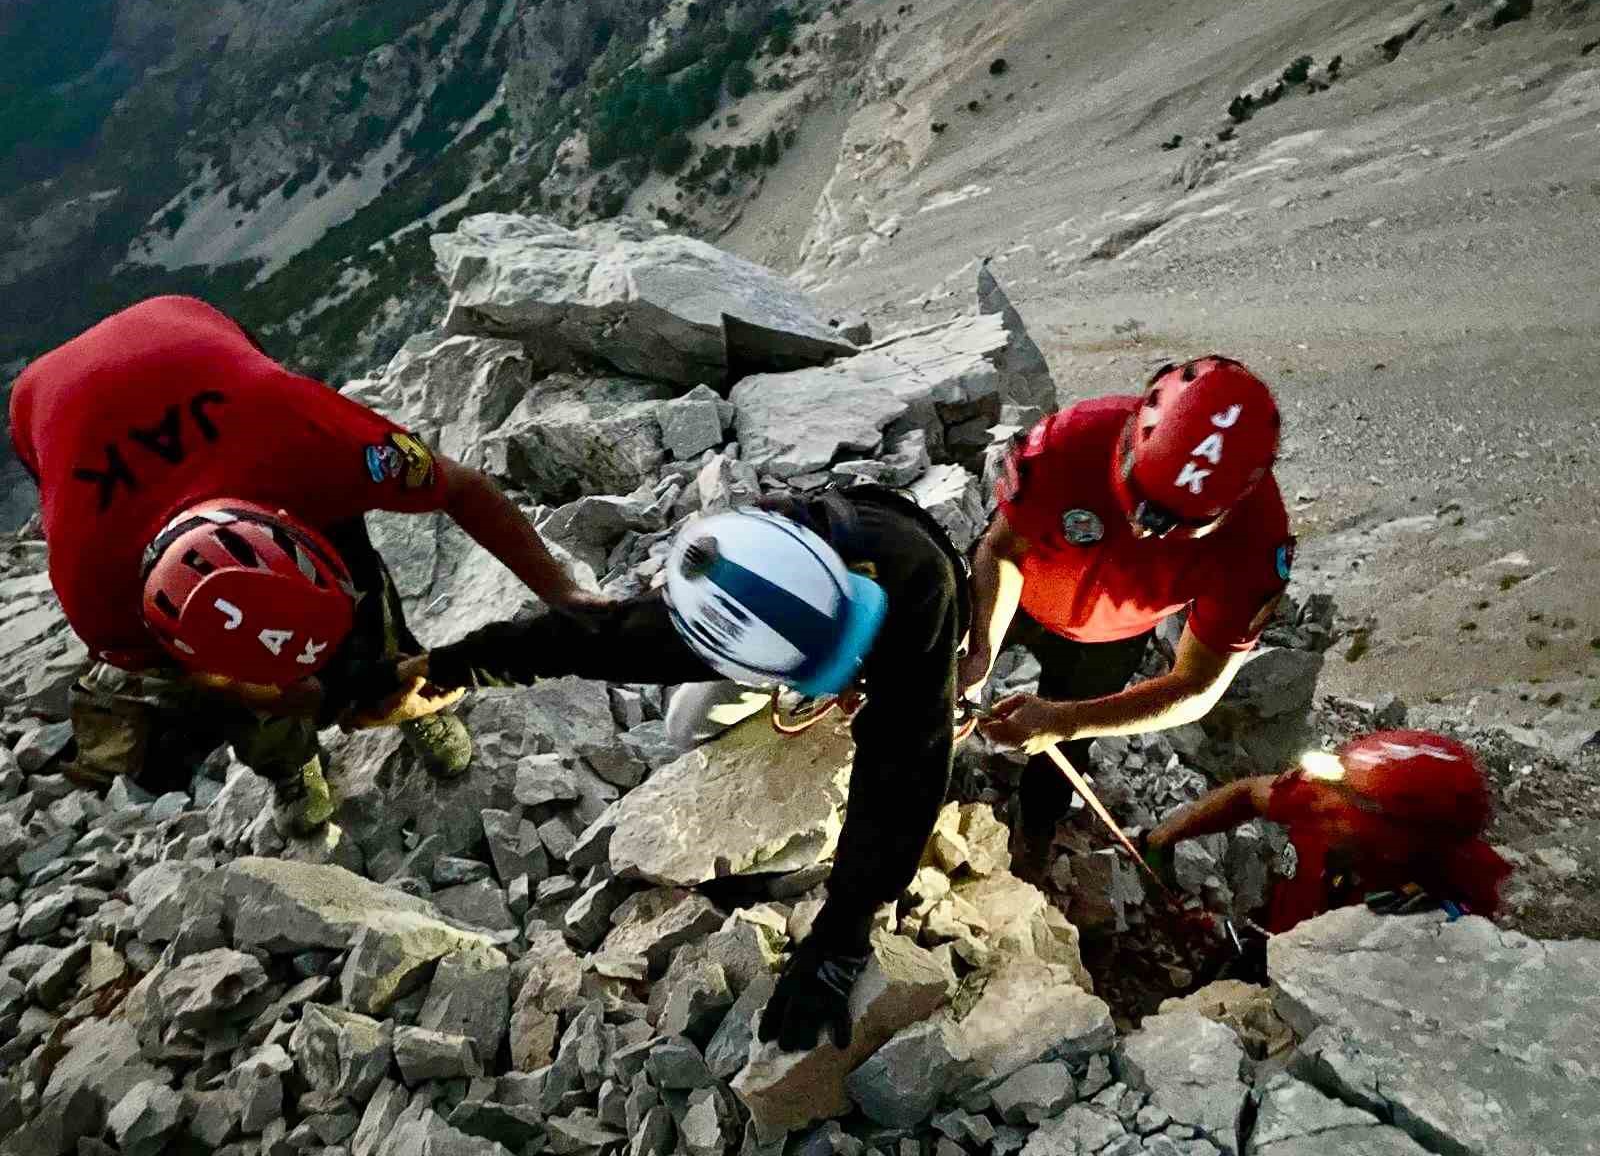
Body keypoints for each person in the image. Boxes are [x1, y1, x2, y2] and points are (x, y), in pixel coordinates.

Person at [394, 484, 969, 1053]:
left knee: (907, 723)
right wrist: (457, 665)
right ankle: (804, 694)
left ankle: (872, 685)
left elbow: (906, 765)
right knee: (685, 726)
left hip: (918, 610)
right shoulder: (727, 595)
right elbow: (596, 637)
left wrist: (844, 929)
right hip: (788, 629)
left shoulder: (920, 585)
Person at [7, 295, 610, 834]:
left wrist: (563, 593)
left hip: (189, 329)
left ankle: (401, 693)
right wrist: (278, 696)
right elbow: (187, 674)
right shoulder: (96, 590)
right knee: (242, 696)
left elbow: (461, 488)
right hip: (44, 401)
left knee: (366, 612)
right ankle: (287, 761)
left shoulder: (309, 436)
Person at [961, 355, 1294, 880]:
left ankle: (1036, 831)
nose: (1142, 531)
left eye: (1171, 523)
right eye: (1140, 499)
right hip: (1022, 592)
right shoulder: (1069, 441)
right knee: (946, 673)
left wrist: (1065, 721)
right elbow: (1000, 551)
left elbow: (1196, 686)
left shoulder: (1256, 547)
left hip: (1109, 637)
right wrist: (979, 651)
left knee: (1063, 752)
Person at [1143, 730, 1514, 932]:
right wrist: (1162, 838)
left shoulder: (1440, 918)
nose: (1319, 804)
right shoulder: (1327, 800)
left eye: (1348, 807)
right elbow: (1247, 794)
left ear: (1400, 844)